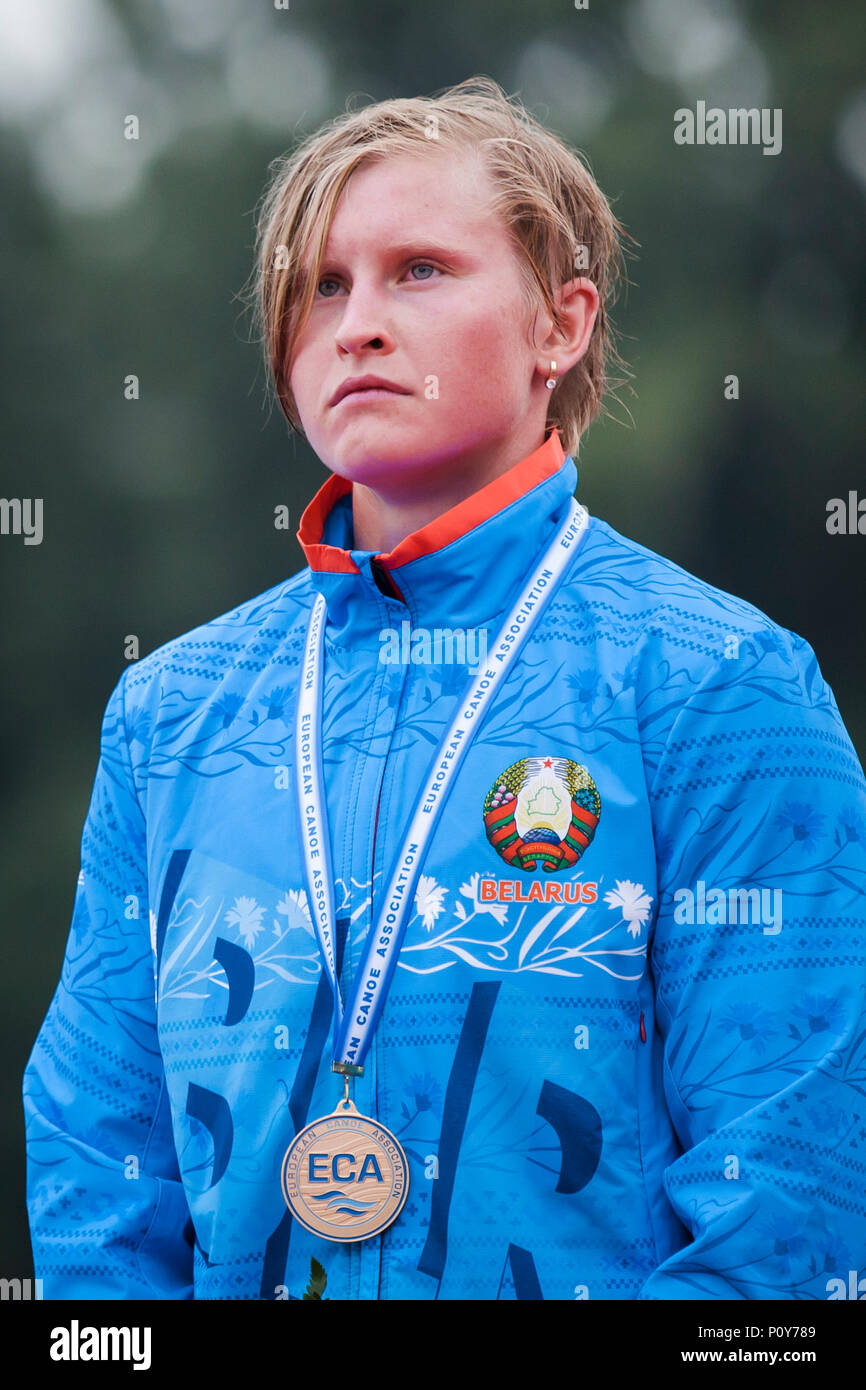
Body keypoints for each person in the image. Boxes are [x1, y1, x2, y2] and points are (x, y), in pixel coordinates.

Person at [24, 75, 866, 1301]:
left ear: (558, 326)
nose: (356, 322)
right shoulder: (169, 714)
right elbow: (97, 1161)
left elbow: (788, 1208)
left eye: (418, 269)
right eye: (321, 285)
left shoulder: (719, 686)